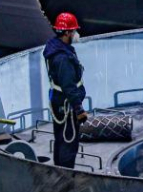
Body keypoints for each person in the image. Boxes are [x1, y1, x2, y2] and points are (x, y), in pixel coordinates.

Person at [43, 12, 88, 168]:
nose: (76, 33)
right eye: (74, 30)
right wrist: (79, 109)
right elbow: (68, 86)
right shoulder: (62, 58)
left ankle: (59, 172)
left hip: (59, 102)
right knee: (68, 142)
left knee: (60, 139)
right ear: (67, 33)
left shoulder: (55, 48)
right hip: (66, 105)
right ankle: (66, 176)